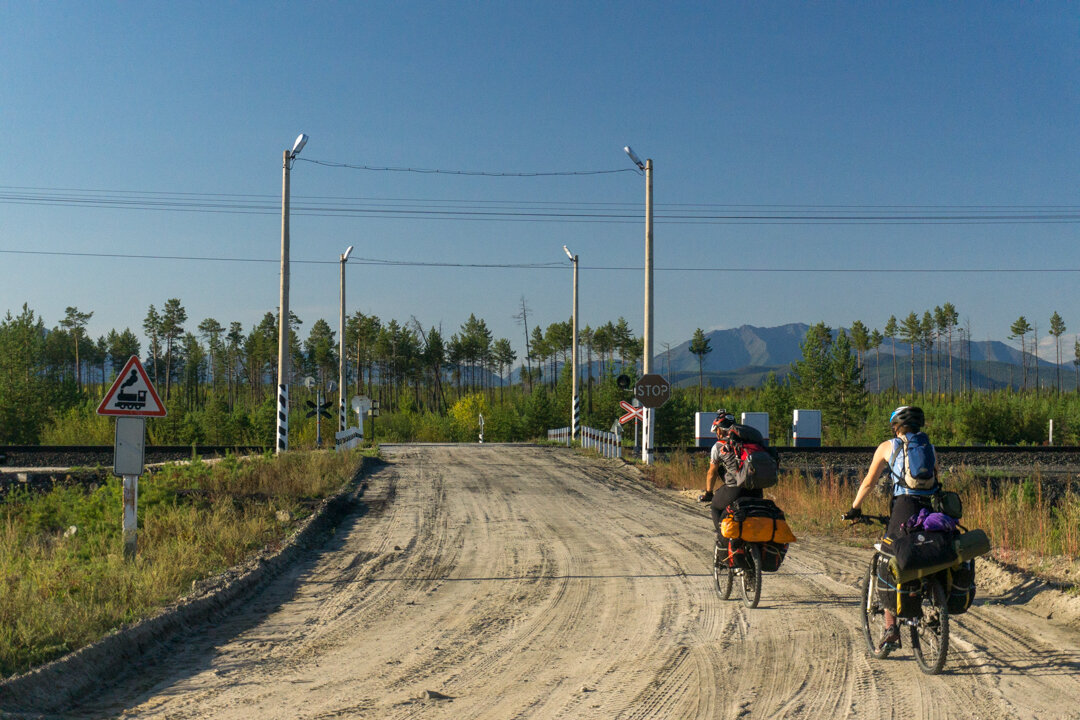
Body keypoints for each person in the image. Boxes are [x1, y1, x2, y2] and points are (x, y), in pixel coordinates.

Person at [842, 405, 939, 651]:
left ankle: (890, 627)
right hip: (928, 507)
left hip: (904, 506)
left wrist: (854, 508)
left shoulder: (888, 446)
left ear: (895, 426)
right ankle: (935, 601)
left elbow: (869, 482)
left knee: (887, 556)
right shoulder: (929, 448)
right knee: (927, 548)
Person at [698, 409, 766, 535]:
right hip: (757, 489)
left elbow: (712, 472)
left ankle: (722, 539)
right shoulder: (749, 442)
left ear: (719, 430)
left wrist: (708, 493)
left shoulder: (718, 446)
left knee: (715, 507)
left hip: (735, 489)